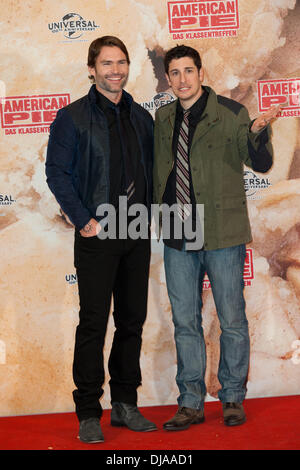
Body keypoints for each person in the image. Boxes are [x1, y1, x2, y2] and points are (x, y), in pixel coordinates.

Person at [153, 45, 280, 430]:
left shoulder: (231, 112)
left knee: (232, 319)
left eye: (188, 71)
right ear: (168, 78)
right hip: (178, 232)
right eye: (174, 73)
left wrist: (259, 133)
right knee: (186, 322)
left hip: (223, 231)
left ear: (201, 72)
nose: (182, 79)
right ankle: (190, 402)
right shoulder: (162, 117)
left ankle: (232, 398)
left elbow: (260, 163)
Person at [46, 36, 156, 443]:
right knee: (93, 324)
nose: (115, 70)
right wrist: (82, 220)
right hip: (97, 235)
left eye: (121, 62)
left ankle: (125, 404)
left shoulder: (142, 117)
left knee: (132, 321)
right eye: (107, 63)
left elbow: (151, 172)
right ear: (91, 69)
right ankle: (89, 411)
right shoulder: (71, 117)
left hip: (136, 233)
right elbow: (57, 173)